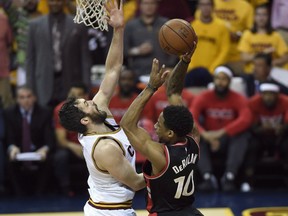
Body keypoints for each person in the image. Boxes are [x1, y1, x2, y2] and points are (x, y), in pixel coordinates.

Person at [58, 1, 145, 215]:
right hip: (110, 212)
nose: (92, 101)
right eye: (86, 105)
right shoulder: (104, 148)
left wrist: (119, 30)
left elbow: (113, 69)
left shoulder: (100, 114)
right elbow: (136, 182)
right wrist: (171, 164)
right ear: (85, 120)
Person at [121, 48, 203, 215]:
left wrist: (150, 87)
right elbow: (173, 92)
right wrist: (184, 61)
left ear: (170, 134)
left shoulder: (161, 155)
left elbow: (127, 125)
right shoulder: (194, 139)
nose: (155, 126)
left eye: (159, 124)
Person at [190, 66, 252, 192]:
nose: (220, 82)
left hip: (228, 138)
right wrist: (205, 134)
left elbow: (246, 119)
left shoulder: (238, 98)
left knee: (242, 136)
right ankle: (207, 177)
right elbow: (191, 118)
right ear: (214, 80)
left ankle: (229, 176)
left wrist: (222, 133)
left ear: (230, 81)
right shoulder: (204, 97)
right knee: (193, 136)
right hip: (208, 138)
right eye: (218, 78)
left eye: (224, 79)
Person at [26, 0, 91, 108]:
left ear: (64, 2)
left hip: (70, 81)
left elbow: (85, 58)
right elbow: (30, 59)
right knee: (45, 120)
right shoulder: (34, 25)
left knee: (69, 119)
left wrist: (86, 86)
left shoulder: (78, 24)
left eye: (58, 1)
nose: (55, 3)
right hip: (43, 82)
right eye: (52, 1)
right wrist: (30, 87)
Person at [4, 85, 55, 196]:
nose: (26, 100)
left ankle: (40, 194)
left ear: (34, 98)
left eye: (28, 96)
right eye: (22, 97)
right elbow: (9, 137)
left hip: (38, 149)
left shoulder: (45, 112)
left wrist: (44, 150)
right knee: (8, 161)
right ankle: (18, 195)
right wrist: (12, 147)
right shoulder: (9, 113)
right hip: (18, 149)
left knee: (50, 159)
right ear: (17, 100)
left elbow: (49, 139)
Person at [242, 82, 288, 191]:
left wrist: (282, 128)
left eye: (271, 94)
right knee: (251, 145)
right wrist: (260, 129)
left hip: (280, 136)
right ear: (261, 95)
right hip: (260, 136)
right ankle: (248, 180)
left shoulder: (285, 101)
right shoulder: (253, 103)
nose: (268, 97)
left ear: (277, 95)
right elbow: (249, 123)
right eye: (265, 94)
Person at [124, 0, 177, 78]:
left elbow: (175, 48)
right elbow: (123, 51)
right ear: (140, 5)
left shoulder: (166, 24)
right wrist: (137, 51)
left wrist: (170, 65)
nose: (149, 6)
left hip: (162, 74)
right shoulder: (130, 26)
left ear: (157, 5)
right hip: (137, 74)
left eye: (152, 3)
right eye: (146, 3)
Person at [53, 82, 89, 196]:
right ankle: (65, 188)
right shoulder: (61, 109)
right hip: (71, 146)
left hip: (89, 143)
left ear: (86, 97)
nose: (73, 98)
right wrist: (74, 147)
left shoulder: (91, 108)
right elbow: (61, 140)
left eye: (77, 95)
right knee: (60, 156)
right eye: (71, 94)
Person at [238, 4, 288, 74]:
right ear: (254, 17)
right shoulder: (247, 34)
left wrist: (271, 63)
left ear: (268, 17)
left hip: (271, 72)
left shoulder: (275, 35)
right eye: (258, 15)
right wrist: (263, 53)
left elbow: (285, 57)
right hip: (251, 72)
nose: (261, 18)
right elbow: (244, 57)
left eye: (264, 15)